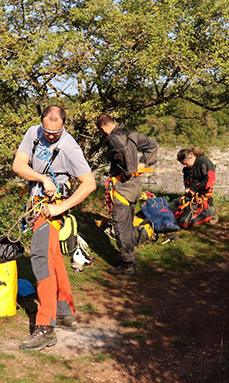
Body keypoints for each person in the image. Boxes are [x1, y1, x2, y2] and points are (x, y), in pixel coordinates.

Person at [12, 105, 96, 351]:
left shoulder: (69, 146)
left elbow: (89, 183)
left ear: (64, 127)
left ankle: (45, 326)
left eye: (56, 133)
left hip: (52, 209)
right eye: (47, 132)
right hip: (37, 205)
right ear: (41, 124)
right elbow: (18, 165)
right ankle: (64, 312)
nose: (50, 136)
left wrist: (61, 208)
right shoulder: (33, 134)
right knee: (54, 258)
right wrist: (43, 178)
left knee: (41, 261)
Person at [96, 114, 158, 275]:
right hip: (135, 186)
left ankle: (127, 264)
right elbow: (152, 145)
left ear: (103, 128)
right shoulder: (131, 134)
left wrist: (129, 169)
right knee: (128, 223)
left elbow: (122, 149)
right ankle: (131, 255)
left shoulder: (114, 138)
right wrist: (142, 163)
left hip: (123, 187)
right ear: (113, 122)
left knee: (122, 226)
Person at [173, 148, 218, 228]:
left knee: (184, 221)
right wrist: (187, 188)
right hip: (192, 193)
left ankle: (210, 212)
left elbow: (210, 181)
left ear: (191, 158)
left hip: (202, 193)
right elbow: (186, 178)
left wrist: (195, 189)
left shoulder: (204, 162)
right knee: (174, 208)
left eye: (185, 163)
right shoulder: (188, 167)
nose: (185, 166)